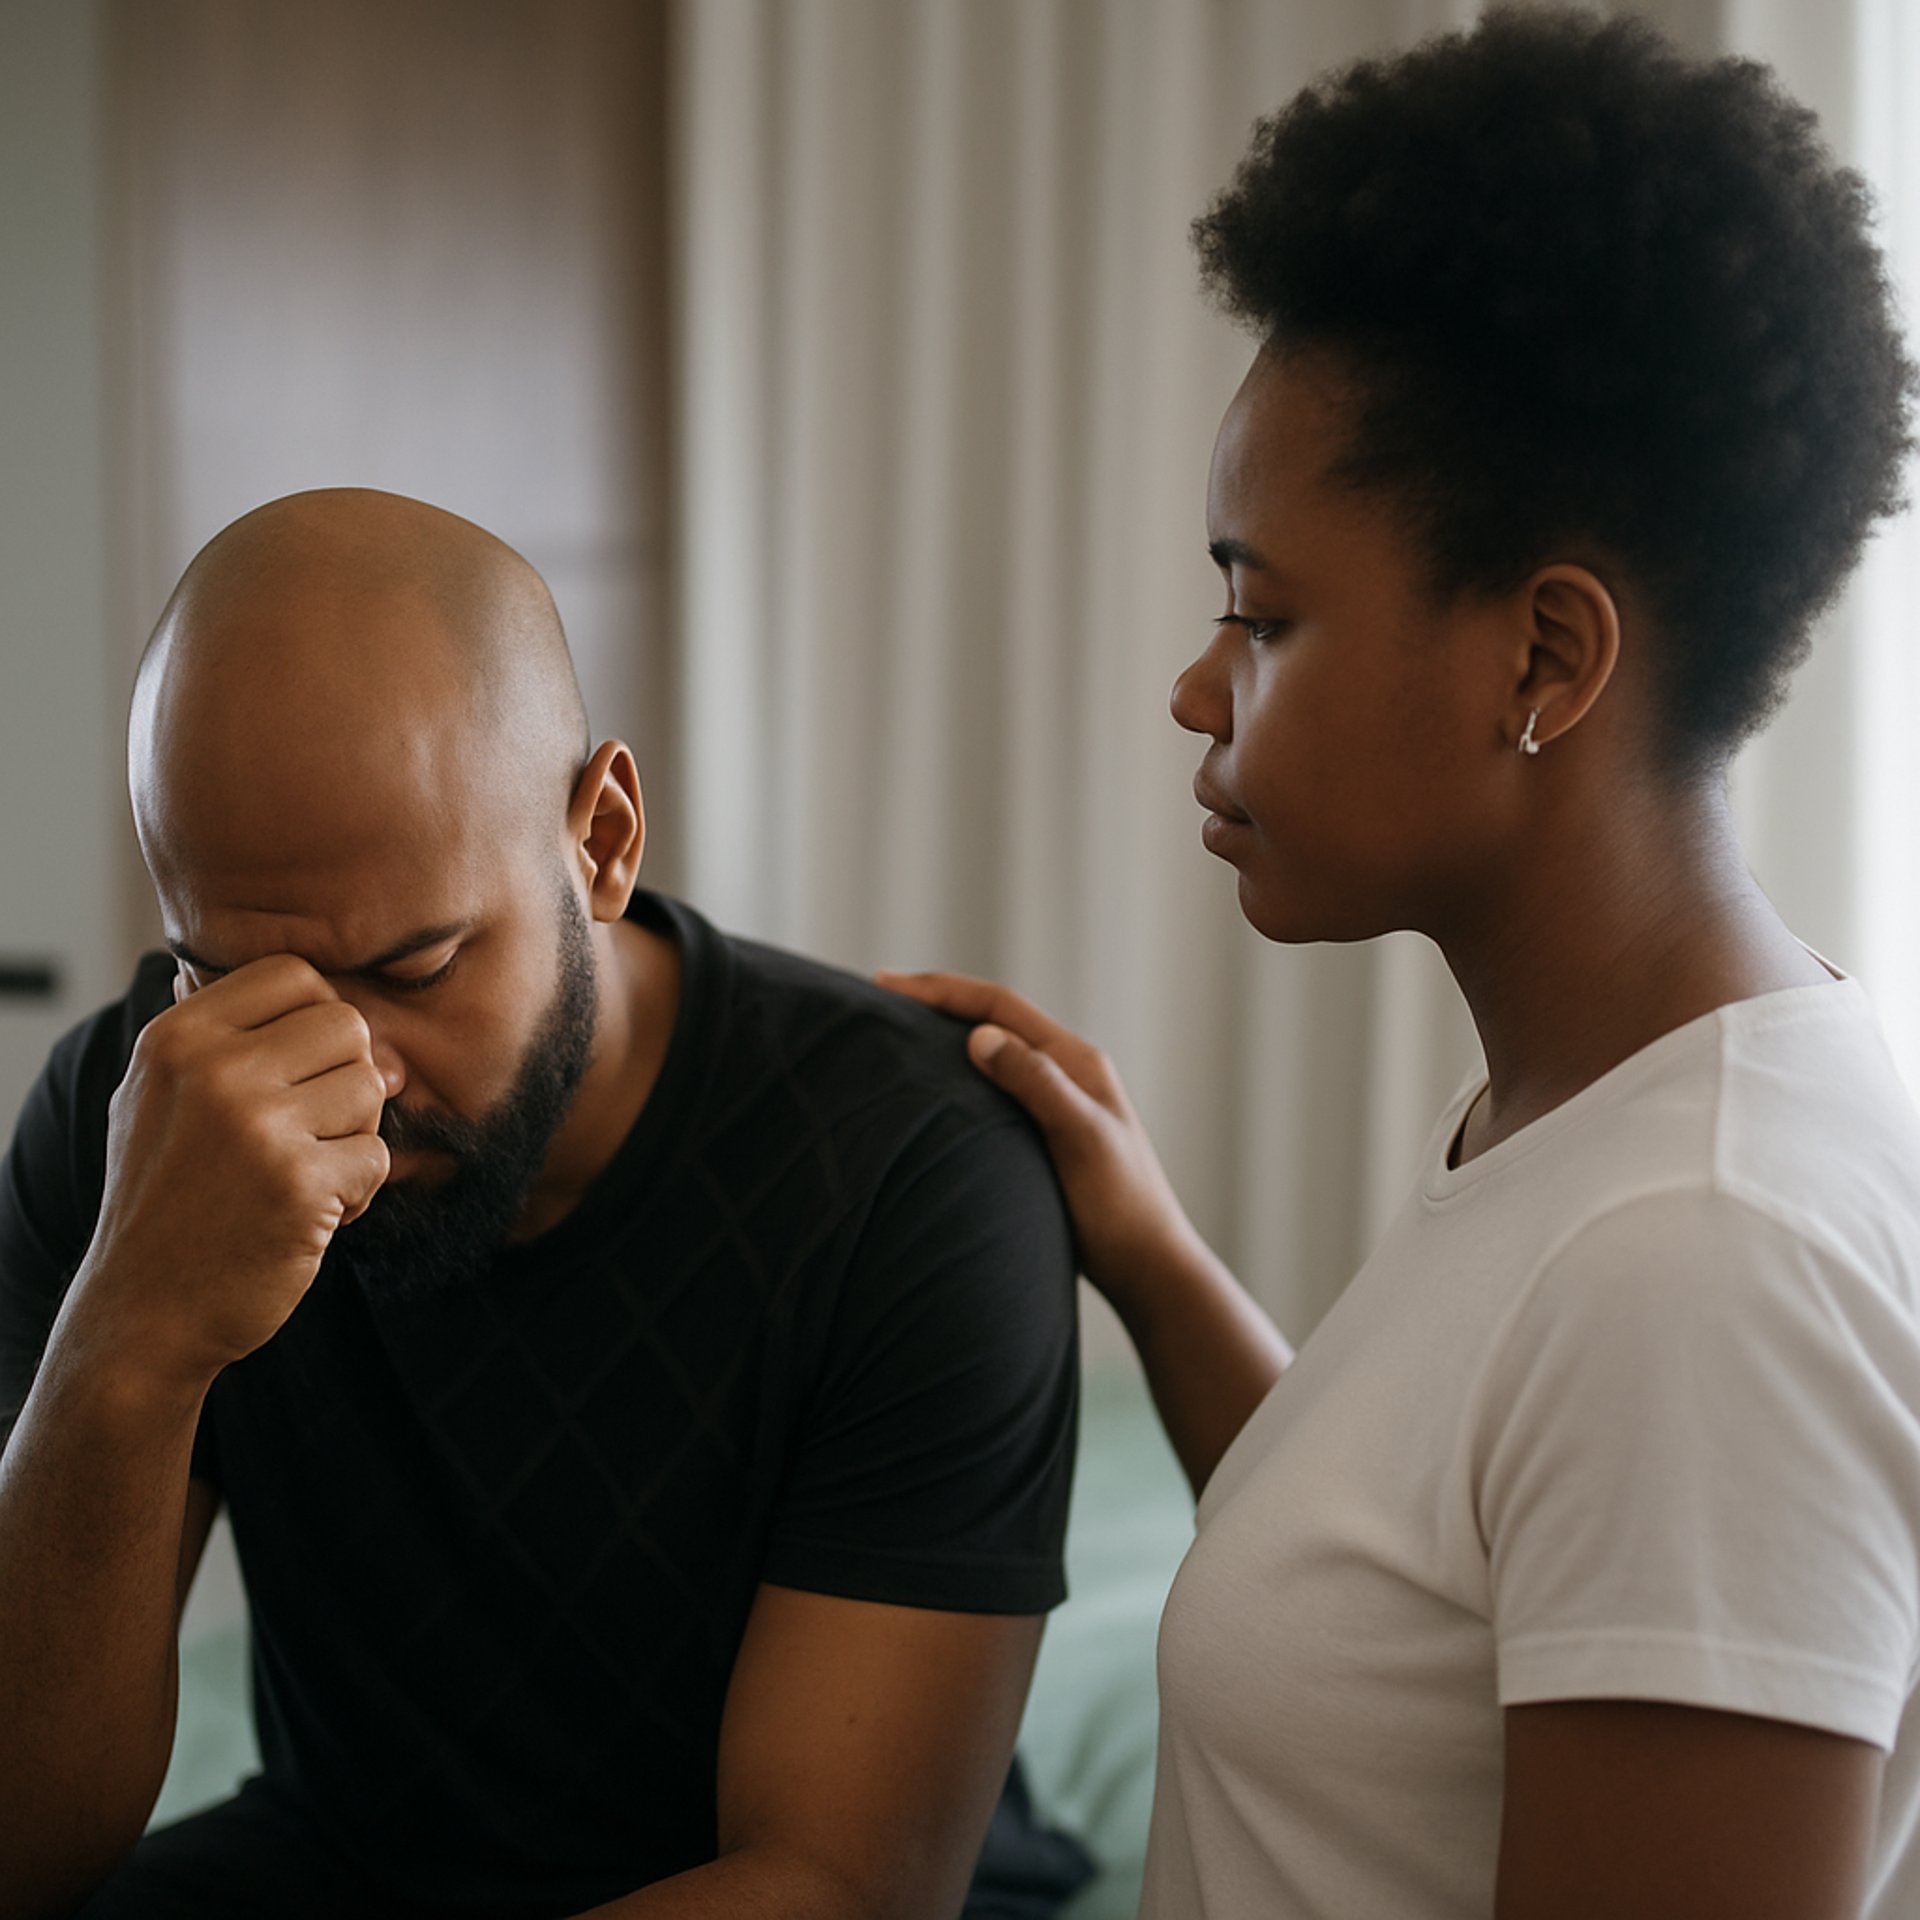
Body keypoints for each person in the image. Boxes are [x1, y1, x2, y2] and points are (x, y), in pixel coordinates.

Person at [883, 9, 1920, 1917]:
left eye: (1263, 616)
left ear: (1545, 660)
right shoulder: (1611, 1122)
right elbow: (1412, 1615)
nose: (1196, 687)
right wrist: (1154, 1259)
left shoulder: (1700, 1257)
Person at [0, 488, 1087, 1920]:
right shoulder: (146, 1125)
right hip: (343, 1861)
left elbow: (833, 1883)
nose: (348, 1080)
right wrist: (129, 1335)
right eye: (234, 980)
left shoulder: (905, 1170)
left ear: (604, 841)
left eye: (416, 967)